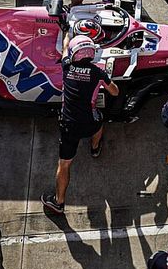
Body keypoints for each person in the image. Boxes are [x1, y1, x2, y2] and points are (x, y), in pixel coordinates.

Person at [42, 35, 119, 215]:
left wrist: (67, 30)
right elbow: (115, 92)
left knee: (64, 165)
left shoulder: (67, 65)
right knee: (99, 122)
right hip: (90, 121)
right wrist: (106, 79)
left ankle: (58, 202)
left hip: (69, 124)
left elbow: (65, 47)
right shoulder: (97, 72)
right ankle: (94, 148)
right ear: (91, 53)